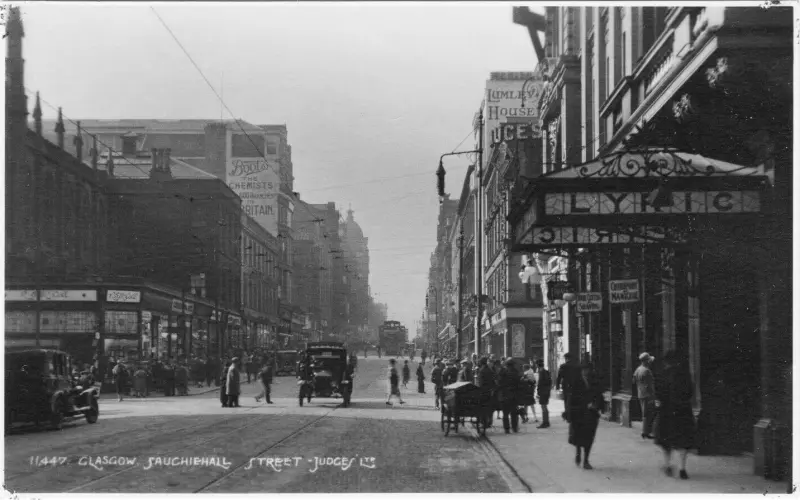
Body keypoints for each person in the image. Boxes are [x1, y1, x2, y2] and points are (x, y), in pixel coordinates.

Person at [655, 350, 696, 480]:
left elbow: (659, 393)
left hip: (666, 411)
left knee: (666, 440)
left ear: (666, 361)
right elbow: (690, 392)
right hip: (683, 411)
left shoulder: (663, 374)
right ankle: (683, 469)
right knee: (683, 441)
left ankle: (667, 465)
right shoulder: (685, 374)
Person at [568, 362, 603, 470]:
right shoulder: (576, 382)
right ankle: (578, 452)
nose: (586, 372)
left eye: (588, 370)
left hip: (591, 414)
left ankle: (586, 460)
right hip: (579, 413)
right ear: (581, 371)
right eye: (584, 370)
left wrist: (596, 405)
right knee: (579, 435)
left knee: (589, 437)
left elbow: (599, 396)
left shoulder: (595, 382)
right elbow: (571, 398)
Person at [634, 352, 657, 439]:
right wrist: (652, 396)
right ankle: (646, 432)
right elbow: (649, 385)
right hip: (648, 395)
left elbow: (634, 380)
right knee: (649, 414)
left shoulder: (638, 369)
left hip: (641, 394)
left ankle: (645, 431)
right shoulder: (647, 371)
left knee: (645, 414)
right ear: (646, 361)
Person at [496, 359, 521, 434]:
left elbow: (499, 382)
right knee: (514, 413)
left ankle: (507, 429)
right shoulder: (516, 372)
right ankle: (514, 428)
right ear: (513, 365)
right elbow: (518, 383)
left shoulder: (502, 371)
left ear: (506, 365)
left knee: (505, 413)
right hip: (513, 395)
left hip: (504, 395)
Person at [556, 353, 580, 422]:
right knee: (574, 400)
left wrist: (557, 386)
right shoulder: (576, 366)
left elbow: (559, 377)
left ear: (566, 358)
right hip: (576, 385)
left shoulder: (563, 366)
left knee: (566, 401)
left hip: (566, 385)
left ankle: (568, 417)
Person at [475, 357, 497, 428]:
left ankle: (484, 423)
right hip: (490, 391)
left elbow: (480, 383)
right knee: (489, 407)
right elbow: (493, 381)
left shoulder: (482, 370)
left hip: (483, 391)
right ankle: (489, 421)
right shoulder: (490, 370)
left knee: (482, 407)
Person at [536, 359, 552, 428]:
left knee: (543, 406)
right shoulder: (546, 372)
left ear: (537, 365)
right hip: (546, 391)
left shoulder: (542, 372)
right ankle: (546, 421)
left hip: (543, 392)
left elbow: (541, 383)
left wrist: (539, 391)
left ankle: (545, 422)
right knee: (544, 406)